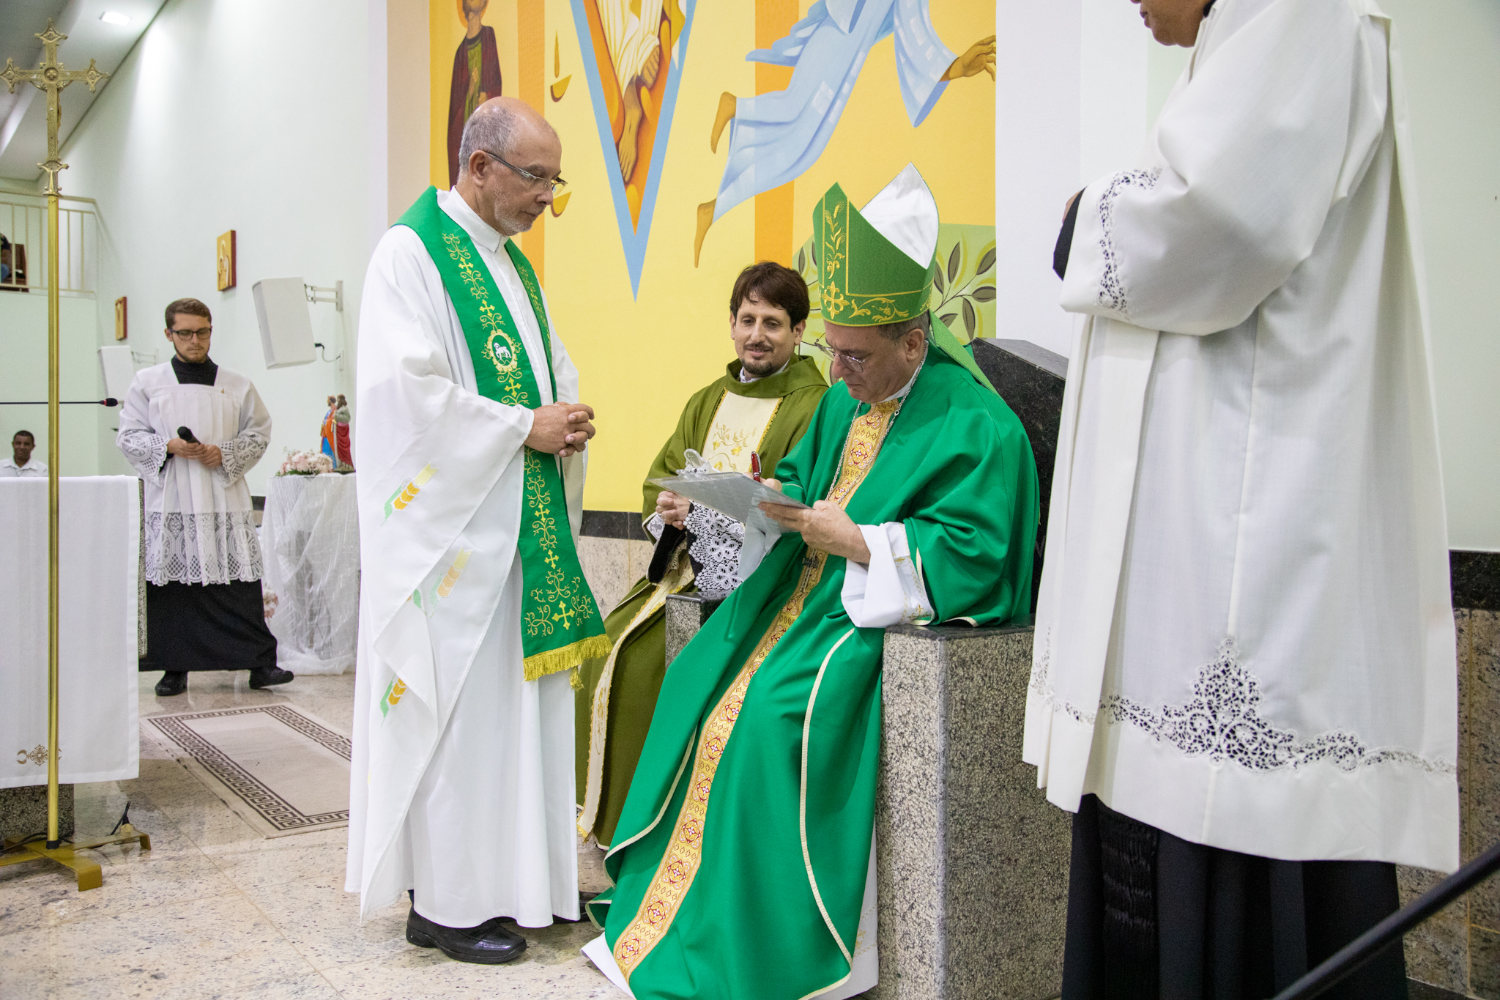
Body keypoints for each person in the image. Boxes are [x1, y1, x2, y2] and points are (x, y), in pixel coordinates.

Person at [1026, 1, 1459, 997]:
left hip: (1246, 558)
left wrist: (1076, 220)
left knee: (1239, 861)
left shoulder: (1306, 14)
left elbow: (1221, 221)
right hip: (1189, 562)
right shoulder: (1237, 40)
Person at [586, 165, 1039, 1000]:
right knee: (695, 677)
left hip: (872, 616)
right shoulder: (843, 395)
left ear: (913, 341)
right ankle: (685, 905)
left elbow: (980, 555)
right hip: (803, 597)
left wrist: (862, 541)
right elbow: (801, 472)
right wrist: (776, 499)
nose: (837, 372)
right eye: (830, 349)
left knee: (763, 718)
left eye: (856, 355)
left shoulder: (978, 424)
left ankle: (762, 941)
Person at [347, 96, 604, 966]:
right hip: (452, 546)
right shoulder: (410, 253)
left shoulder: (512, 266)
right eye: (537, 178)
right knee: (461, 721)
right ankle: (448, 906)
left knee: (514, 724)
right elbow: (404, 398)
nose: (546, 198)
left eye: (554, 182)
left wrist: (564, 418)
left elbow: (544, 371)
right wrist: (519, 428)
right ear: (480, 165)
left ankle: (526, 886)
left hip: (517, 535)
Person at [575, 261, 827, 849]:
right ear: (732, 325)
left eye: (773, 322)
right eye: (747, 319)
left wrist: (713, 512)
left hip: (756, 583)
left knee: (640, 670)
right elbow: (661, 476)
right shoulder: (708, 398)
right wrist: (666, 508)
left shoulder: (813, 404)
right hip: (682, 569)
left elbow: (795, 496)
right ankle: (602, 817)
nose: (757, 335)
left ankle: (642, 830)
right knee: (601, 647)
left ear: (798, 331)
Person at [692, 1, 995, 265]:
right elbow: (914, 31)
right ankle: (737, 108)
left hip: (842, 50)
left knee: (802, 150)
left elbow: (911, 27)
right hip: (836, 44)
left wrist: (954, 68)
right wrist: (953, 67)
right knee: (796, 118)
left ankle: (714, 206)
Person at [116, 298, 291, 697]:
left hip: (222, 495)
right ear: (168, 334)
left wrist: (223, 453)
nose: (195, 340)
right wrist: (169, 446)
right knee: (174, 589)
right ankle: (174, 668)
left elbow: (258, 433)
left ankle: (260, 664)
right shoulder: (148, 382)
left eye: (203, 332)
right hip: (174, 497)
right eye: (185, 333)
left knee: (238, 582)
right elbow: (129, 437)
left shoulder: (237, 384)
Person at [446, 0, 503, 187]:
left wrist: (487, 98)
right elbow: (454, 116)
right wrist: (470, 91)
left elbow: (496, 81)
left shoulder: (489, 36)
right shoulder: (459, 53)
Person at [333, 393, 353, 470]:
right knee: (339, 447)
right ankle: (341, 464)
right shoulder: (339, 408)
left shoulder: (345, 409)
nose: (337, 400)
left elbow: (347, 418)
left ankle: (347, 465)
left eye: (338, 399)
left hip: (343, 430)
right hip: (338, 429)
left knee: (344, 447)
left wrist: (336, 416)